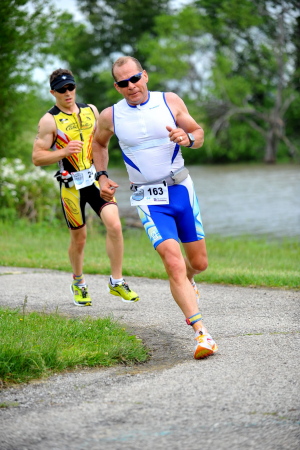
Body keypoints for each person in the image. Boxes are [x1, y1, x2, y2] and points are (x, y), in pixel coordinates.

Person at [91, 56, 218, 359]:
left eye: (135, 78)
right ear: (117, 86)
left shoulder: (169, 101)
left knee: (198, 264)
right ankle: (201, 334)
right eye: (123, 82)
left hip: (181, 190)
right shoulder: (111, 116)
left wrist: (186, 138)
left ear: (144, 76)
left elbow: (198, 134)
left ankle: (189, 279)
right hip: (148, 198)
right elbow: (98, 144)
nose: (131, 86)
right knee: (172, 262)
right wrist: (102, 176)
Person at [32, 68, 139, 306]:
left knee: (115, 225)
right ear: (53, 92)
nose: (67, 93)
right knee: (79, 239)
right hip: (70, 186)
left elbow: (101, 144)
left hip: (94, 180)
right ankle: (79, 283)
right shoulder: (49, 120)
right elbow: (37, 157)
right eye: (61, 90)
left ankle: (117, 281)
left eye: (70, 87)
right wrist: (63, 151)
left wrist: (103, 175)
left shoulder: (91, 110)